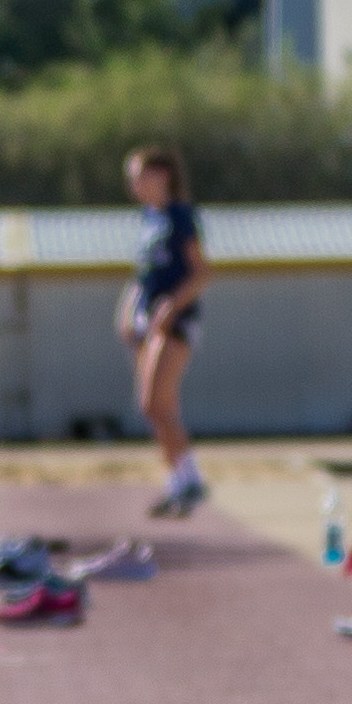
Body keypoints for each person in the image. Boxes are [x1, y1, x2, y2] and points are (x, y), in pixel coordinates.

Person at [125, 147, 208, 519]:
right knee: (156, 407)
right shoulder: (149, 218)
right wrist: (128, 311)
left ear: (162, 175)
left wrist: (170, 307)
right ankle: (177, 480)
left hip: (174, 323)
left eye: (140, 175)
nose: (133, 184)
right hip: (150, 324)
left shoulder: (180, 216)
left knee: (154, 403)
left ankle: (190, 478)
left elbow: (201, 272)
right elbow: (142, 276)